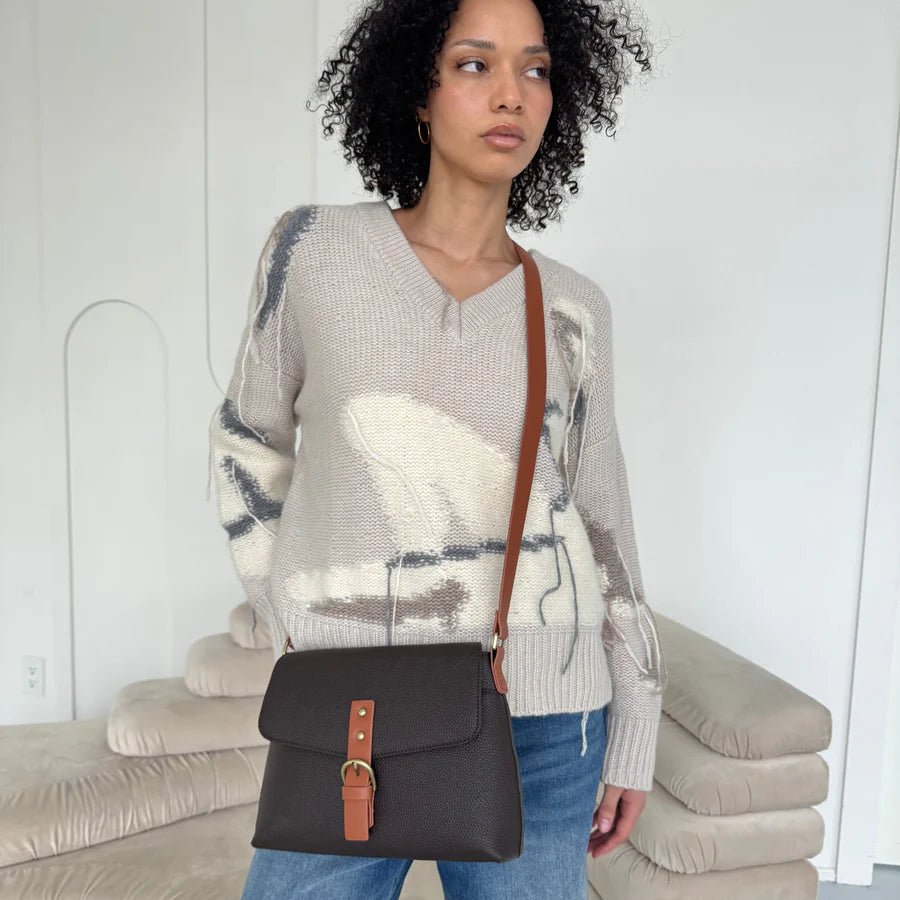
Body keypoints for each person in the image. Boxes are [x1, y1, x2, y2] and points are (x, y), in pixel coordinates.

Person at [208, 0, 667, 896]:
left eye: (534, 69)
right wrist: (289, 610)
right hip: (349, 706)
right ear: (416, 91)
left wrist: (636, 724)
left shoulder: (573, 308)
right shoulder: (315, 253)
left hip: (545, 716)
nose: (511, 95)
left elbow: (604, 521)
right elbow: (246, 439)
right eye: (474, 64)